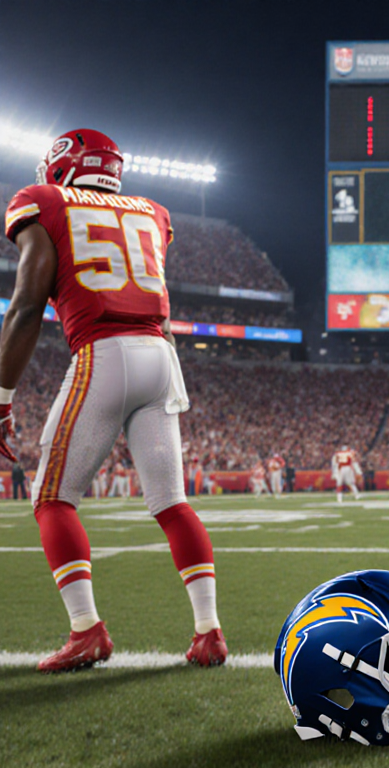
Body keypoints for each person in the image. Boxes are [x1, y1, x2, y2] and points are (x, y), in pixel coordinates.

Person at [2, 128, 227, 672]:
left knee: (52, 497)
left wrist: (2, 396)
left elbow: (28, 305)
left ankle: (87, 630)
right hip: (160, 352)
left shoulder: (44, 200)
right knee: (172, 503)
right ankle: (209, 632)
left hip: (104, 350)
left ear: (63, 166)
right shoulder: (153, 211)